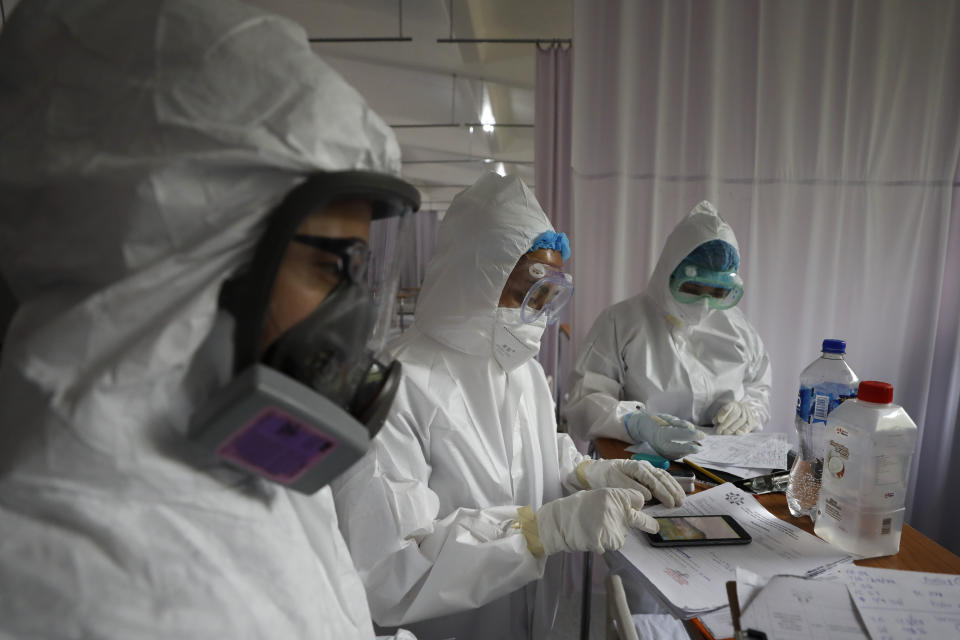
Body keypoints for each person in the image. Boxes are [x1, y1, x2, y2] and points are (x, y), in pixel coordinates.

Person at [0, 1, 420, 638]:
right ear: (193, 260)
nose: (354, 317)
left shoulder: (244, 463)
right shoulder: (79, 586)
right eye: (333, 267)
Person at [332, 173, 686, 640]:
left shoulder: (518, 368)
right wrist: (541, 532)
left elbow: (533, 456)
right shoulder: (396, 388)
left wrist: (588, 473)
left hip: (531, 619)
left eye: (548, 297)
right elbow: (389, 571)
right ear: (473, 277)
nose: (537, 313)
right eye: (527, 291)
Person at [565, 201, 772, 459]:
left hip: (725, 465)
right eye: (693, 289)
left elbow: (759, 386)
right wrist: (635, 423)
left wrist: (748, 411)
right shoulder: (621, 322)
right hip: (641, 459)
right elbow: (585, 401)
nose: (704, 304)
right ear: (669, 273)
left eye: (718, 293)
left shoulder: (739, 327)